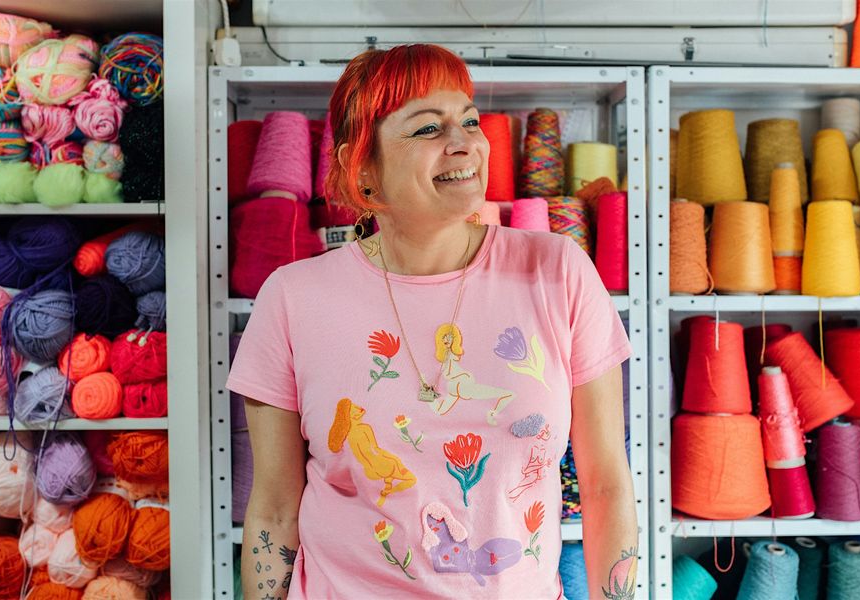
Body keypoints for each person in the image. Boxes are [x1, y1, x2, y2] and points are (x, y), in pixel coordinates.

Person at [227, 43, 638, 599]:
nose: (465, 141)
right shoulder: (293, 298)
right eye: (428, 128)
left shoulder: (558, 272)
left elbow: (606, 485)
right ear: (362, 166)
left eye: (469, 120)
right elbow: (274, 512)